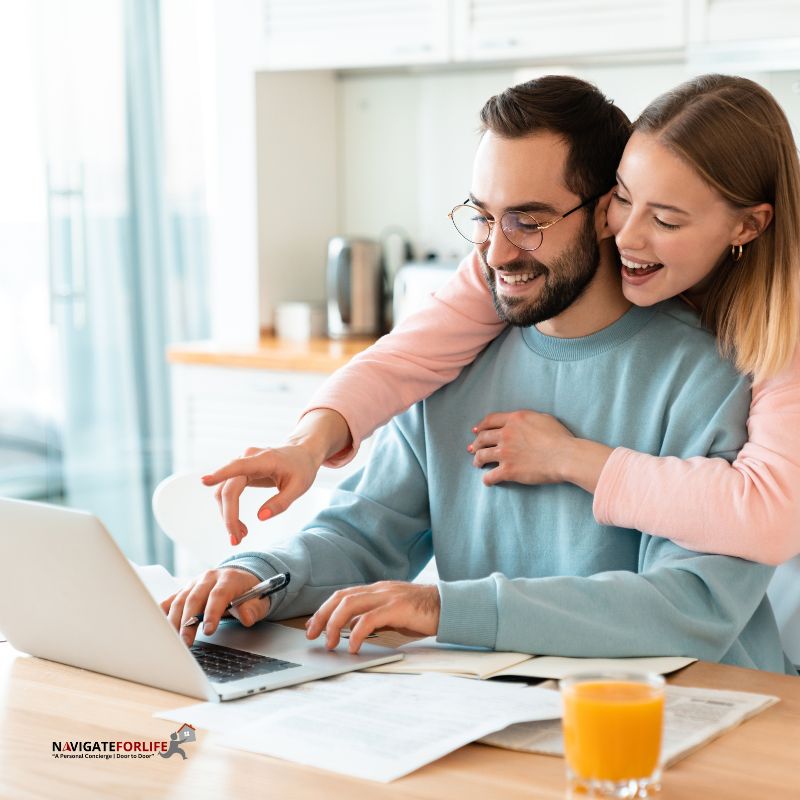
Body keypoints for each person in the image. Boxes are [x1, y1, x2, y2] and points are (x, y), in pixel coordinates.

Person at [165, 76, 790, 674]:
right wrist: (262, 575)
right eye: (484, 216)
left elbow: (687, 605)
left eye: (529, 220)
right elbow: (364, 532)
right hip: (505, 704)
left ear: (605, 213)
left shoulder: (729, 370)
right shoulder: (454, 352)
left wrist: (446, 607)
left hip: (702, 712)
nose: (495, 251)